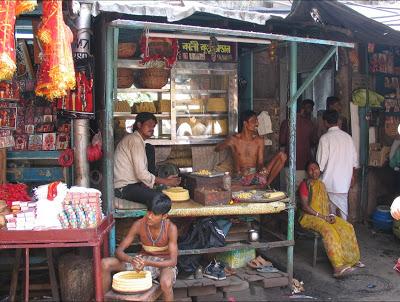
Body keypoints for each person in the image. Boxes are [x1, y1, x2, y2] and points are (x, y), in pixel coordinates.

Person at [101, 194, 178, 301]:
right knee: (105, 263)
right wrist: (132, 260)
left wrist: (148, 263)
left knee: (166, 283)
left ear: (164, 216)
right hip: (143, 261)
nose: (149, 216)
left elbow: (173, 262)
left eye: (154, 214)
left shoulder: (171, 229)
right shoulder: (139, 225)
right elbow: (119, 251)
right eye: (148, 212)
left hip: (163, 264)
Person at [298, 160, 364, 278]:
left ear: (320, 170)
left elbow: (326, 204)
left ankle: (351, 260)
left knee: (347, 227)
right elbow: (304, 206)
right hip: (309, 217)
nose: (314, 171)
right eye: (311, 169)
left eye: (316, 168)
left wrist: (331, 216)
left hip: (324, 217)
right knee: (329, 231)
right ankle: (338, 267)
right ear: (307, 172)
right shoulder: (305, 185)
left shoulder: (322, 184)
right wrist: (322, 217)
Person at [114, 112, 181, 205]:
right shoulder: (135, 140)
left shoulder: (138, 141)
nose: (152, 129)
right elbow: (141, 174)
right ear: (139, 125)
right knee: (161, 199)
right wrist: (166, 181)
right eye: (149, 125)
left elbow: (143, 175)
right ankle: (150, 220)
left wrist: (164, 182)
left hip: (131, 187)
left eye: (153, 126)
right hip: (124, 189)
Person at [215, 110, 287, 187]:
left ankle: (266, 185)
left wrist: (262, 169)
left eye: (257, 121)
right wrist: (227, 142)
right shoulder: (234, 140)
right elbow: (217, 149)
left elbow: (260, 163)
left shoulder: (259, 141)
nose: (257, 124)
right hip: (240, 176)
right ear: (245, 123)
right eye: (253, 121)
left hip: (255, 175)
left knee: (282, 155)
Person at [316, 110, 358, 221]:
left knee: (329, 214)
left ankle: (333, 236)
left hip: (328, 183)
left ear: (325, 122)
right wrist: (352, 177)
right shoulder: (348, 138)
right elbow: (354, 162)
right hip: (344, 183)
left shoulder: (325, 138)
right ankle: (345, 235)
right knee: (344, 213)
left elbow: (319, 165)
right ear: (337, 121)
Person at [279, 99, 318, 188]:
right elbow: (314, 142)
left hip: (290, 164)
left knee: (291, 193)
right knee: (304, 192)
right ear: (302, 109)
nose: (310, 111)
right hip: (305, 164)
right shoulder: (310, 124)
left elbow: (282, 142)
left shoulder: (286, 123)